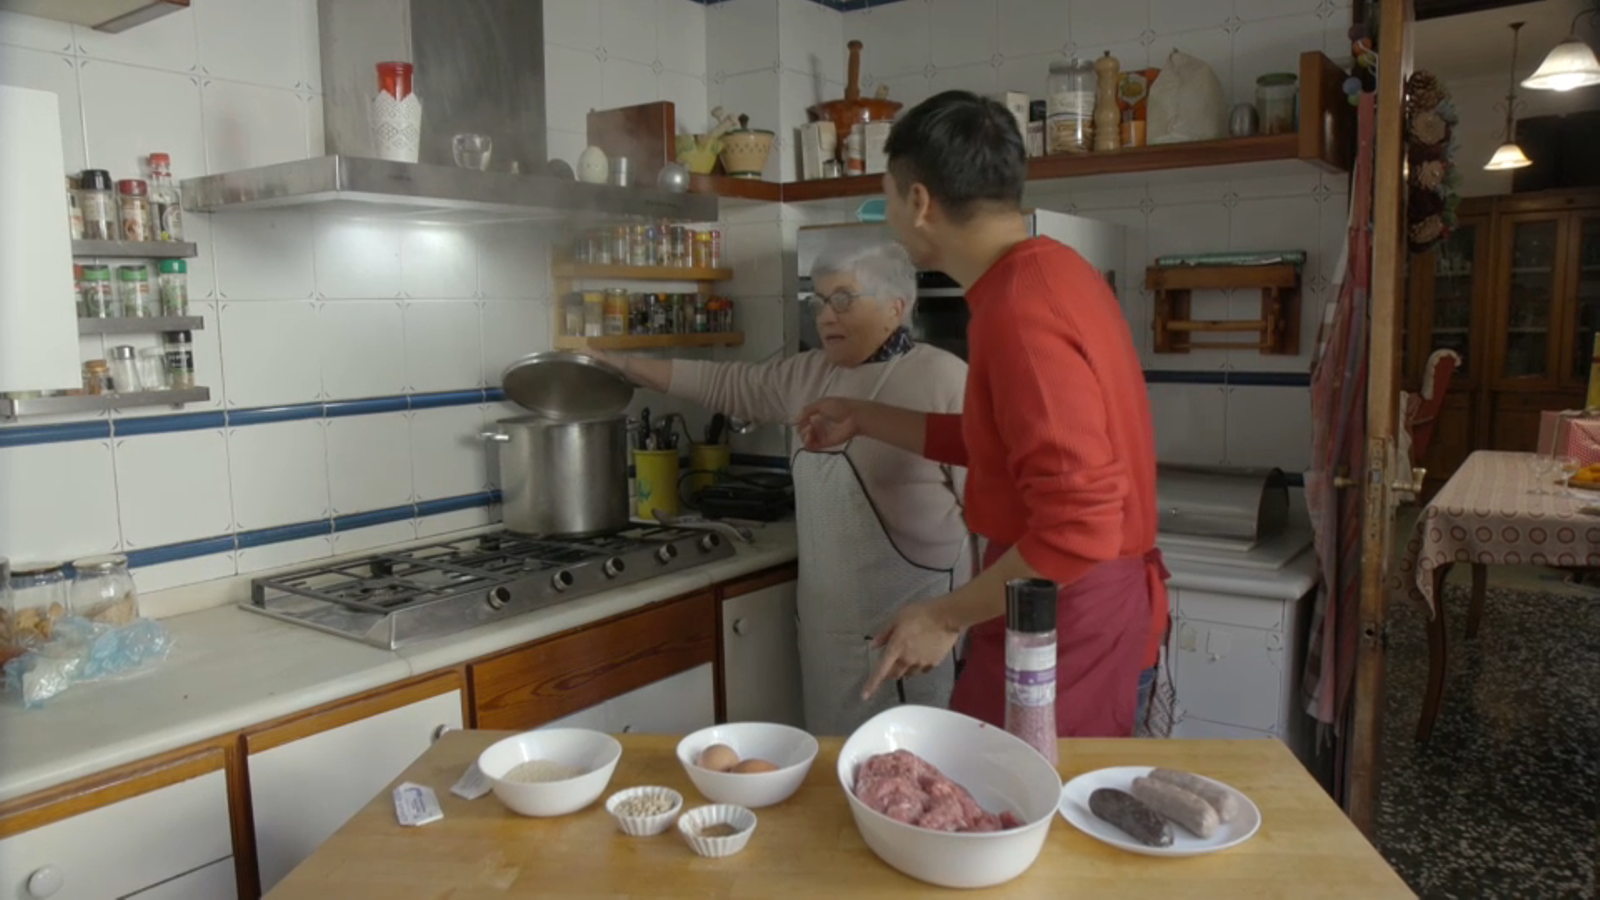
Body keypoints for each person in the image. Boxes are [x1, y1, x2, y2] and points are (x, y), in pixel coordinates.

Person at [794, 90, 1168, 738]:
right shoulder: (1052, 272)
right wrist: (864, 416)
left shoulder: (1023, 312)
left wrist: (944, 616)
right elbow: (996, 440)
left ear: (919, 202)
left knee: (1012, 814)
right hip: (1042, 596)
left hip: (1064, 611)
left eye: (888, 199)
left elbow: (1080, 527)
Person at [596, 239, 972, 736]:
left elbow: (989, 520)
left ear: (895, 308)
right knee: (831, 771)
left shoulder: (945, 380)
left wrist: (970, 628)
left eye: (843, 299)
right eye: (818, 300)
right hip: (824, 634)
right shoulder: (808, 373)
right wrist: (627, 365)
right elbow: (726, 385)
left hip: (914, 635)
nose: (824, 316)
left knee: (913, 774)